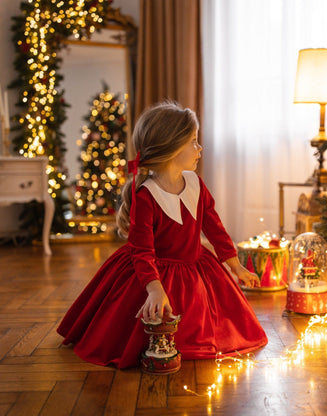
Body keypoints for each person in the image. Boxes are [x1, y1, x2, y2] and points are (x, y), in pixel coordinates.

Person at [57, 101, 268, 369]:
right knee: (143, 325)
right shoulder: (147, 196)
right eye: (193, 141)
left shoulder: (195, 184)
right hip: (152, 272)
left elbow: (214, 228)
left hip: (196, 267)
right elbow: (142, 251)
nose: (199, 148)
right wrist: (155, 289)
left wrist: (235, 265)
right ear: (171, 148)